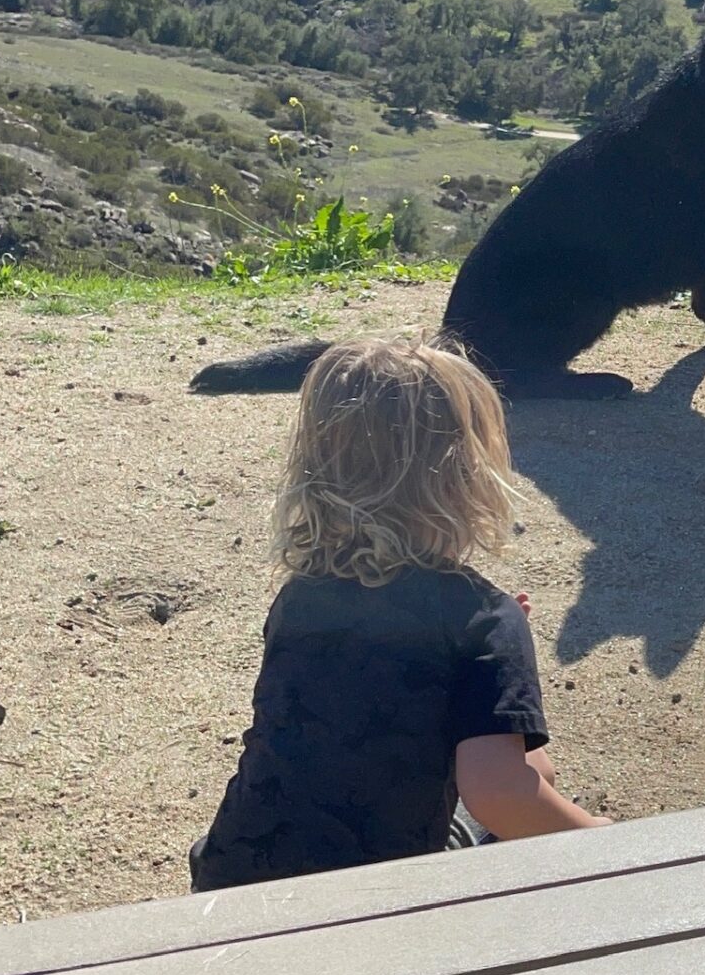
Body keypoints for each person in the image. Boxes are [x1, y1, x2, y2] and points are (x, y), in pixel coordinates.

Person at [190, 338, 605, 890]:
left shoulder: (302, 596)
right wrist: (600, 839)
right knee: (525, 795)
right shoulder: (482, 619)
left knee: (532, 766)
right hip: (370, 901)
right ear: (467, 477)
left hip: (234, 873)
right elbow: (499, 797)